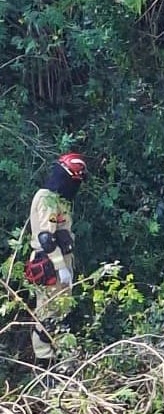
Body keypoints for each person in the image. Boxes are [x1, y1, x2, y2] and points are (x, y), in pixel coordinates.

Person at [27, 152, 87, 366]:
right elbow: (46, 237)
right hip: (49, 264)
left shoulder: (62, 200)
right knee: (47, 313)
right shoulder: (47, 198)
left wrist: (67, 266)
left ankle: (65, 360)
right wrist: (60, 267)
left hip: (63, 263)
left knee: (63, 311)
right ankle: (44, 362)